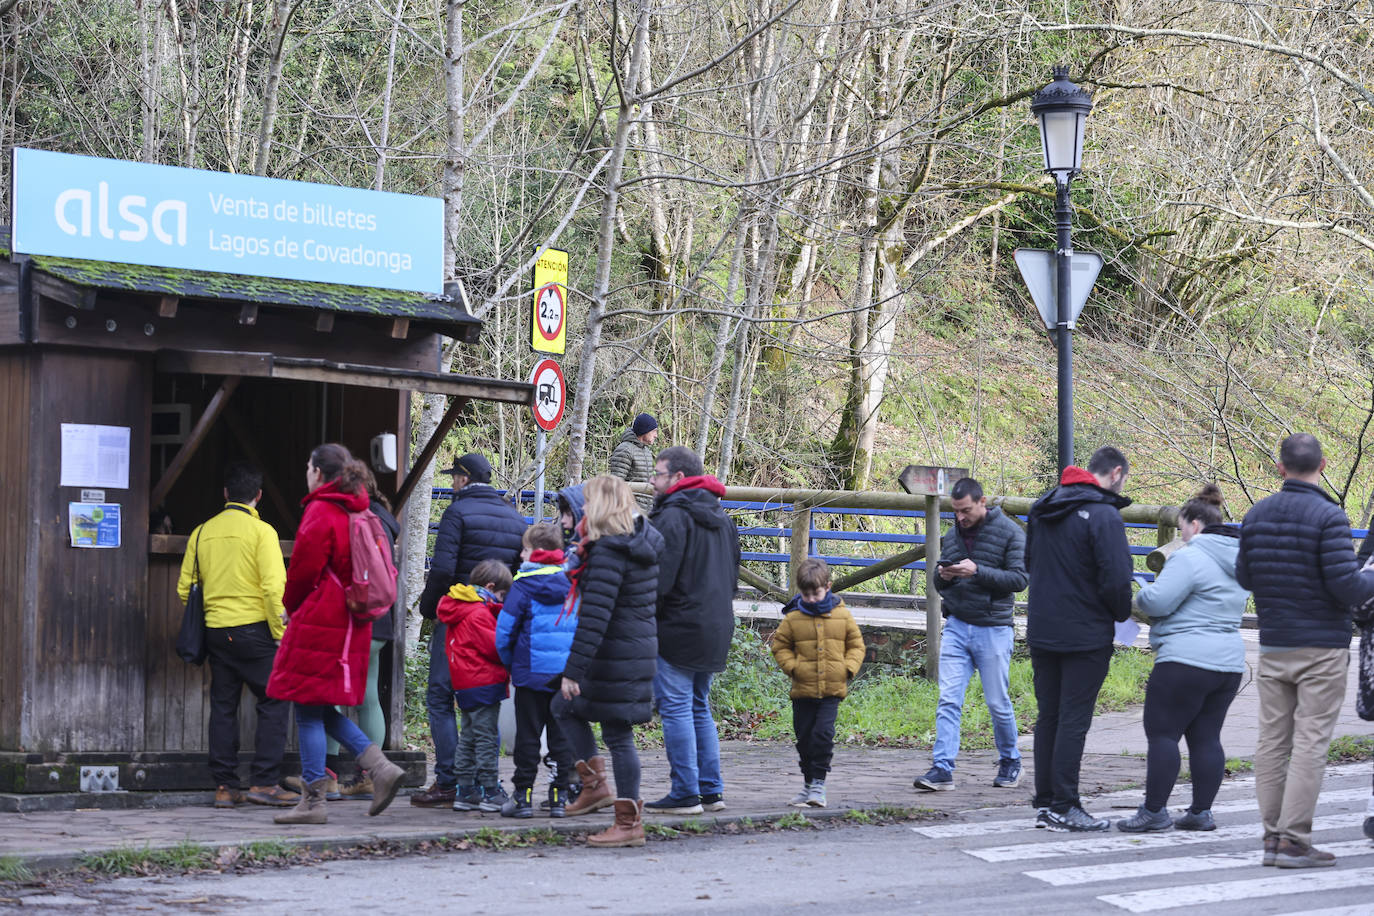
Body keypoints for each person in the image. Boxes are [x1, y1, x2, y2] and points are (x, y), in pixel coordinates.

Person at [1236, 433, 1374, 867]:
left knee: (1272, 742)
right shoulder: (1328, 516)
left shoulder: (1257, 514)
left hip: (1274, 644)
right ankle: (1295, 840)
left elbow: (1244, 577)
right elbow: (1347, 586)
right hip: (1321, 648)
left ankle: (1271, 838)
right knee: (1311, 743)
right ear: (1324, 464)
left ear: (1280, 467)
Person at [266, 443, 404, 825]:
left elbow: (303, 572)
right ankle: (379, 768)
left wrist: (290, 607)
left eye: (309, 467)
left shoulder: (322, 510)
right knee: (318, 706)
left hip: (321, 621)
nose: (306, 472)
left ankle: (312, 802)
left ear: (318, 473)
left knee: (308, 711)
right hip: (350, 623)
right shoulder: (359, 509)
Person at [1117, 484, 1247, 833]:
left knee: (1162, 734)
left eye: (1181, 527)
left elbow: (1158, 602)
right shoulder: (1238, 559)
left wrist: (1142, 593)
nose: (1181, 534)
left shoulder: (1190, 556)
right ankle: (1201, 812)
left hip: (1184, 659)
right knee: (1206, 738)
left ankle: (1154, 811)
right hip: (1228, 663)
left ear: (1193, 525)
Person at [1025, 446, 1134, 832]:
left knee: (1049, 716)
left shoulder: (1042, 508)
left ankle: (1046, 802)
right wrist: (1122, 614)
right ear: (1116, 473)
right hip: (1085, 633)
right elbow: (1117, 578)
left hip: (1042, 628)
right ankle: (1065, 804)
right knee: (1074, 720)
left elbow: (1029, 564)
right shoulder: (1104, 515)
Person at [177, 461, 297, 809]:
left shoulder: (201, 533)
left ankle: (225, 787)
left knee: (224, 706)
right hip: (256, 633)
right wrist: (280, 633)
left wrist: (214, 612)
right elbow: (274, 589)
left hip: (216, 632)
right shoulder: (263, 534)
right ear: (258, 496)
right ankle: (264, 782)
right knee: (275, 699)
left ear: (226, 494)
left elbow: (186, 588)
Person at [555, 475, 664, 848]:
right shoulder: (638, 542)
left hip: (617, 652)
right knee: (567, 709)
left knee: (617, 733)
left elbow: (596, 615)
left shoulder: (610, 549)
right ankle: (596, 788)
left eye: (586, 502)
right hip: (632, 650)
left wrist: (573, 670)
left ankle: (627, 821)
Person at [412, 452, 526, 808]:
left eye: (453, 477)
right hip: (495, 620)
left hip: (459, 620)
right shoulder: (514, 516)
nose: (451, 483)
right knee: (484, 700)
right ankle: (481, 781)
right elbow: (519, 573)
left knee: (441, 697)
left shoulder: (456, 512)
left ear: (463, 479)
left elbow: (443, 569)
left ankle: (450, 781)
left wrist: (431, 609)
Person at [915, 477, 1028, 793]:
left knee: (997, 702)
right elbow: (939, 584)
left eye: (965, 511)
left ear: (982, 502)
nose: (960, 517)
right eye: (956, 511)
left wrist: (976, 571)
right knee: (948, 699)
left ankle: (1010, 761)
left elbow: (1020, 580)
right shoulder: (952, 536)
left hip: (993, 628)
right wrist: (945, 576)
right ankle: (942, 768)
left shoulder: (1010, 533)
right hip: (957, 626)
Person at [646, 445, 740, 815]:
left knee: (677, 709)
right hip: (716, 626)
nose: (652, 481)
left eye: (658, 475)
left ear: (678, 479)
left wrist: (646, 618)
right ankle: (710, 790)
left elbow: (658, 580)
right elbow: (733, 576)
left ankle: (685, 791)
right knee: (699, 706)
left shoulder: (672, 517)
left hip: (678, 627)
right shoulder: (722, 517)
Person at [496, 523, 578, 818]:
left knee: (528, 737)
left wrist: (510, 664)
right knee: (561, 737)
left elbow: (504, 633)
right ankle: (559, 797)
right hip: (565, 676)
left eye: (526, 549)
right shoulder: (573, 582)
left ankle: (523, 797)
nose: (521, 554)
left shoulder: (522, 585)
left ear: (537, 553)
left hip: (530, 674)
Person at [771, 558, 865, 809]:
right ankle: (807, 784)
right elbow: (779, 646)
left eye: (817, 593)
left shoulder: (842, 615)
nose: (811, 598)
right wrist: (793, 667)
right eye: (806, 594)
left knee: (822, 735)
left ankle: (819, 785)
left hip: (831, 690)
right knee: (804, 738)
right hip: (802, 689)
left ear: (828, 587)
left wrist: (848, 668)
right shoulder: (793, 618)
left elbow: (857, 645)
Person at [335, 466, 401, 801]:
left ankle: (327, 776)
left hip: (352, 619)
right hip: (380, 621)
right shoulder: (384, 522)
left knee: (330, 695)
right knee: (368, 698)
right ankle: (371, 777)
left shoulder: (352, 518)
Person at [437, 558, 514, 813]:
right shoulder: (478, 613)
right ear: (490, 586)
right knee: (486, 738)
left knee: (468, 737)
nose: (501, 601)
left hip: (465, 683)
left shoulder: (461, 608)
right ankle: (490, 790)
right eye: (501, 594)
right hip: (483, 682)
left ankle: (465, 789)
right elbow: (496, 648)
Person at [608, 413, 659, 510]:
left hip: (647, 510)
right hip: (630, 511)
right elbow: (615, 484)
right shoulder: (625, 450)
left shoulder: (647, 451)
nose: (656, 435)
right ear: (645, 430)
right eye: (653, 431)